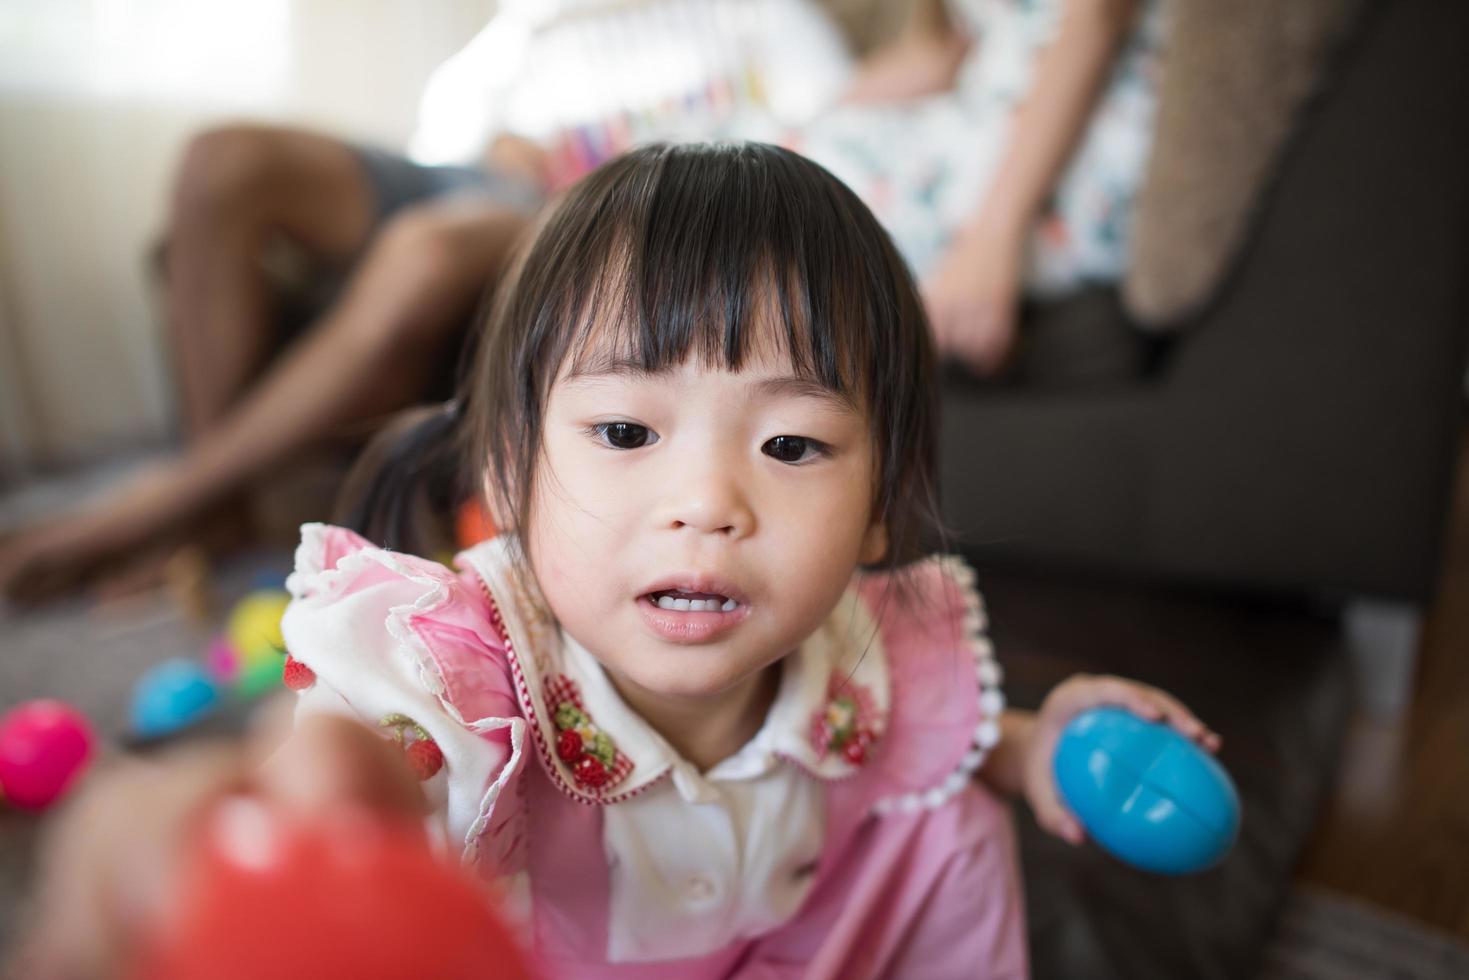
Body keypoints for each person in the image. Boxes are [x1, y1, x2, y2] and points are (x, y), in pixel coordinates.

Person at [20, 143, 1221, 978]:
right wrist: (265, 820)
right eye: (626, 432)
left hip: (798, 944)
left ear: (875, 514)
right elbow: (369, 759)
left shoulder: (862, 632)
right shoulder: (467, 660)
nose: (703, 502)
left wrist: (1035, 746)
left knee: (951, 820)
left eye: (792, 442)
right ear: (505, 471)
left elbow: (920, 729)